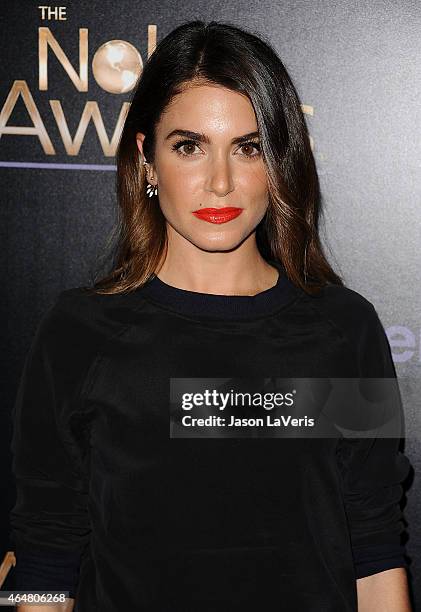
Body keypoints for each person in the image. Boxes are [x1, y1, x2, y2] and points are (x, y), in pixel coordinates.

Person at [9, 20, 412, 612]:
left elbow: (374, 553)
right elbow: (45, 557)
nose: (220, 183)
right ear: (146, 158)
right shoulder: (80, 334)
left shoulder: (342, 331)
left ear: (278, 162)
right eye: (188, 146)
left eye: (248, 148)